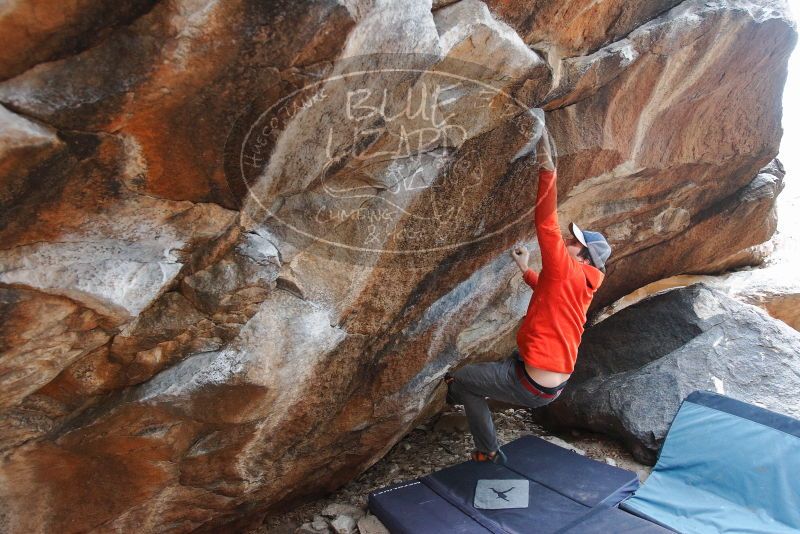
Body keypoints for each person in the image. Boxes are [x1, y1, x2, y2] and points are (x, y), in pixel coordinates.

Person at [444, 126, 612, 464]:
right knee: (484, 374)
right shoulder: (583, 282)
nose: (568, 242)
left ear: (582, 255)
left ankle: (486, 449)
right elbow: (549, 292)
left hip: (530, 382)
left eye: (575, 243)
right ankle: (472, 418)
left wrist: (548, 170)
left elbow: (546, 223)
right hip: (549, 381)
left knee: (463, 381)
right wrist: (525, 270)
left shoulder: (567, 268)